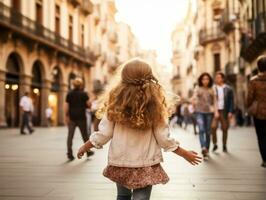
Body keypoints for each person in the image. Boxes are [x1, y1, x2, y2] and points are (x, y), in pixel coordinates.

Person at [77, 59, 201, 200]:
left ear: (124, 77)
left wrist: (85, 146)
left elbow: (104, 133)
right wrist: (185, 153)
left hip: (120, 161)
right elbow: (163, 138)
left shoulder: (116, 102)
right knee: (141, 198)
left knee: (122, 196)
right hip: (146, 163)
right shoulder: (155, 104)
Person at [65, 77, 93, 161]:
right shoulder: (84, 94)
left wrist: (66, 116)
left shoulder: (69, 93)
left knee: (70, 136)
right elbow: (89, 105)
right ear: (81, 85)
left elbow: (66, 106)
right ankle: (88, 151)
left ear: (73, 84)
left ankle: (69, 154)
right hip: (81, 118)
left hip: (72, 118)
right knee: (85, 135)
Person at [192, 73, 217, 159]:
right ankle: (203, 147)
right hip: (199, 112)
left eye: (207, 79)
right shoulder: (198, 88)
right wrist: (194, 100)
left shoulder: (212, 89)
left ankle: (207, 149)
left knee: (208, 132)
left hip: (209, 113)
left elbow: (215, 102)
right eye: (203, 79)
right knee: (201, 129)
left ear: (209, 80)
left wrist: (216, 112)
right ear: (201, 80)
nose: (205, 81)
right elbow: (194, 97)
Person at [247, 56, 266, 168]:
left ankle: (264, 159)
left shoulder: (253, 81)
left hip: (258, 112)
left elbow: (249, 97)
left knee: (261, 136)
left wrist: (249, 106)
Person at [211, 71, 234, 153]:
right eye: (216, 77)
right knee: (213, 127)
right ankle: (215, 144)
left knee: (225, 128)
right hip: (215, 111)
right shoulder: (213, 88)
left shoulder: (228, 89)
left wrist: (230, 111)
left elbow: (231, 101)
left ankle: (224, 145)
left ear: (223, 78)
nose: (217, 79)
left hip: (225, 111)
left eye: (219, 77)